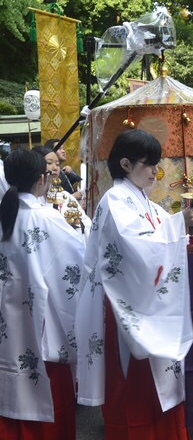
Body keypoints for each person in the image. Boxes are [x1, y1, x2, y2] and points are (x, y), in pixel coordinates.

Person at [75, 129, 193, 440]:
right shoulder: (115, 200)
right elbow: (139, 248)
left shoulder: (143, 201)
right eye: (150, 164)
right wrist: (179, 222)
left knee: (158, 388)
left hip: (148, 303)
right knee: (136, 394)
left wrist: (181, 227)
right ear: (127, 163)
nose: (156, 172)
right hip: (126, 308)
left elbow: (161, 240)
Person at [0, 148, 85, 439]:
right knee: (50, 402)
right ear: (41, 179)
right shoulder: (45, 218)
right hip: (41, 334)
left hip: (7, 329)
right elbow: (76, 265)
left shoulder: (6, 214)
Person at [32, 145, 91, 239]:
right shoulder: (31, 198)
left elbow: (86, 224)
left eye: (58, 164)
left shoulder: (66, 197)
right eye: (49, 163)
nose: (55, 168)